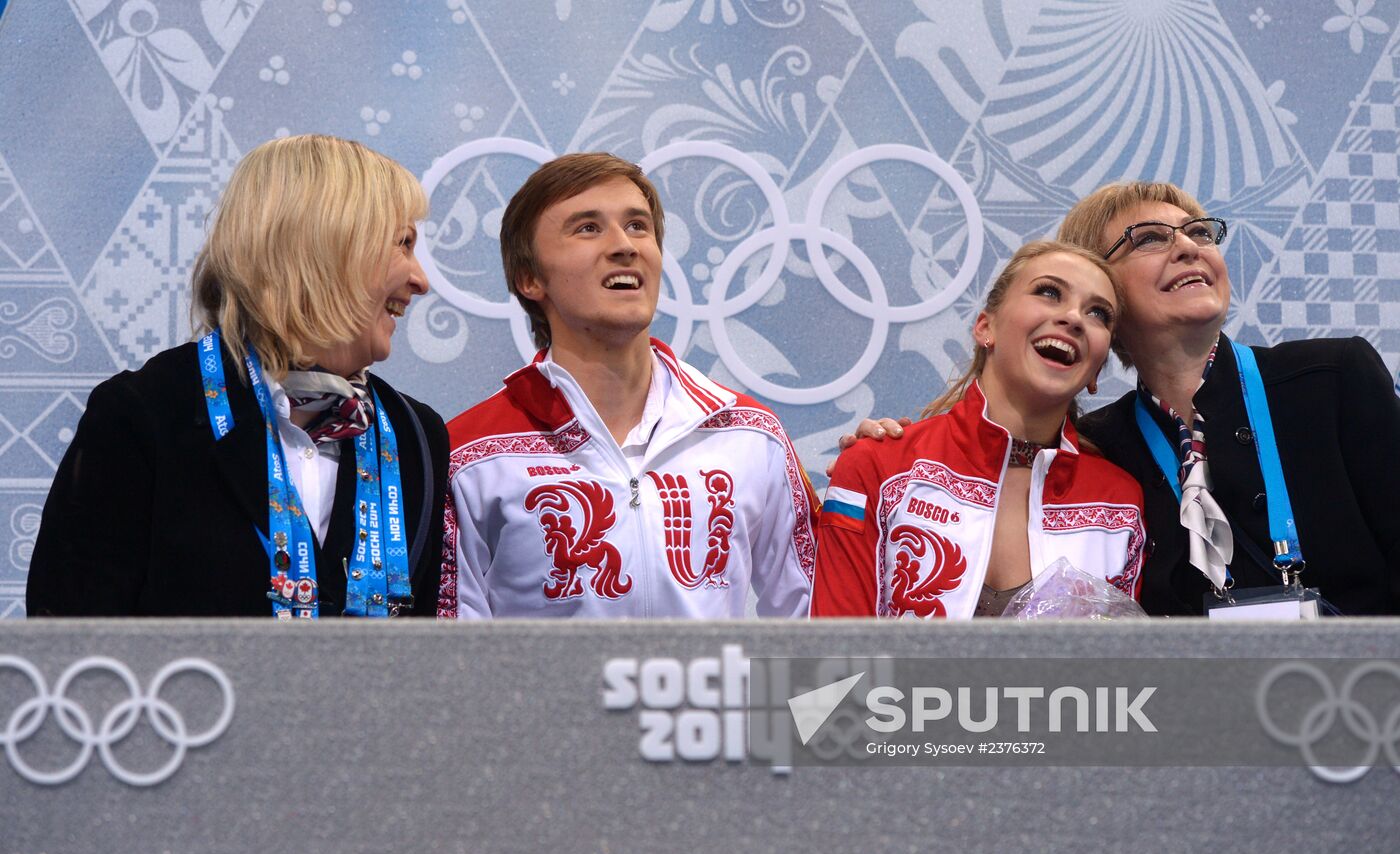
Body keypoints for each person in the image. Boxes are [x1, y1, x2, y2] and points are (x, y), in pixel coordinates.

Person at [26, 134, 449, 618]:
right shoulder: (146, 413)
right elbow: (68, 648)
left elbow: (421, 664)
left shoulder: (417, 437)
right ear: (326, 243)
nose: (421, 280)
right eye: (404, 244)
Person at [438, 152, 817, 619]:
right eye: (587, 228)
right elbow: (451, 659)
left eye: (638, 226)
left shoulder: (750, 433)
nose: (625, 245)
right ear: (530, 278)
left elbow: (817, 629)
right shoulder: (470, 454)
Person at [1057, 181, 1400, 615]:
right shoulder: (1097, 446)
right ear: (1100, 295)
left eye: (1199, 232)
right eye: (1149, 238)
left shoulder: (1332, 379)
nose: (1187, 247)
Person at [812, 241, 1145, 618]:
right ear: (986, 327)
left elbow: (1118, 670)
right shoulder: (878, 466)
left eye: (1098, 313)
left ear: (1097, 372)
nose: (1073, 318)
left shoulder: (1119, 504)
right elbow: (834, 659)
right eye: (1049, 292)